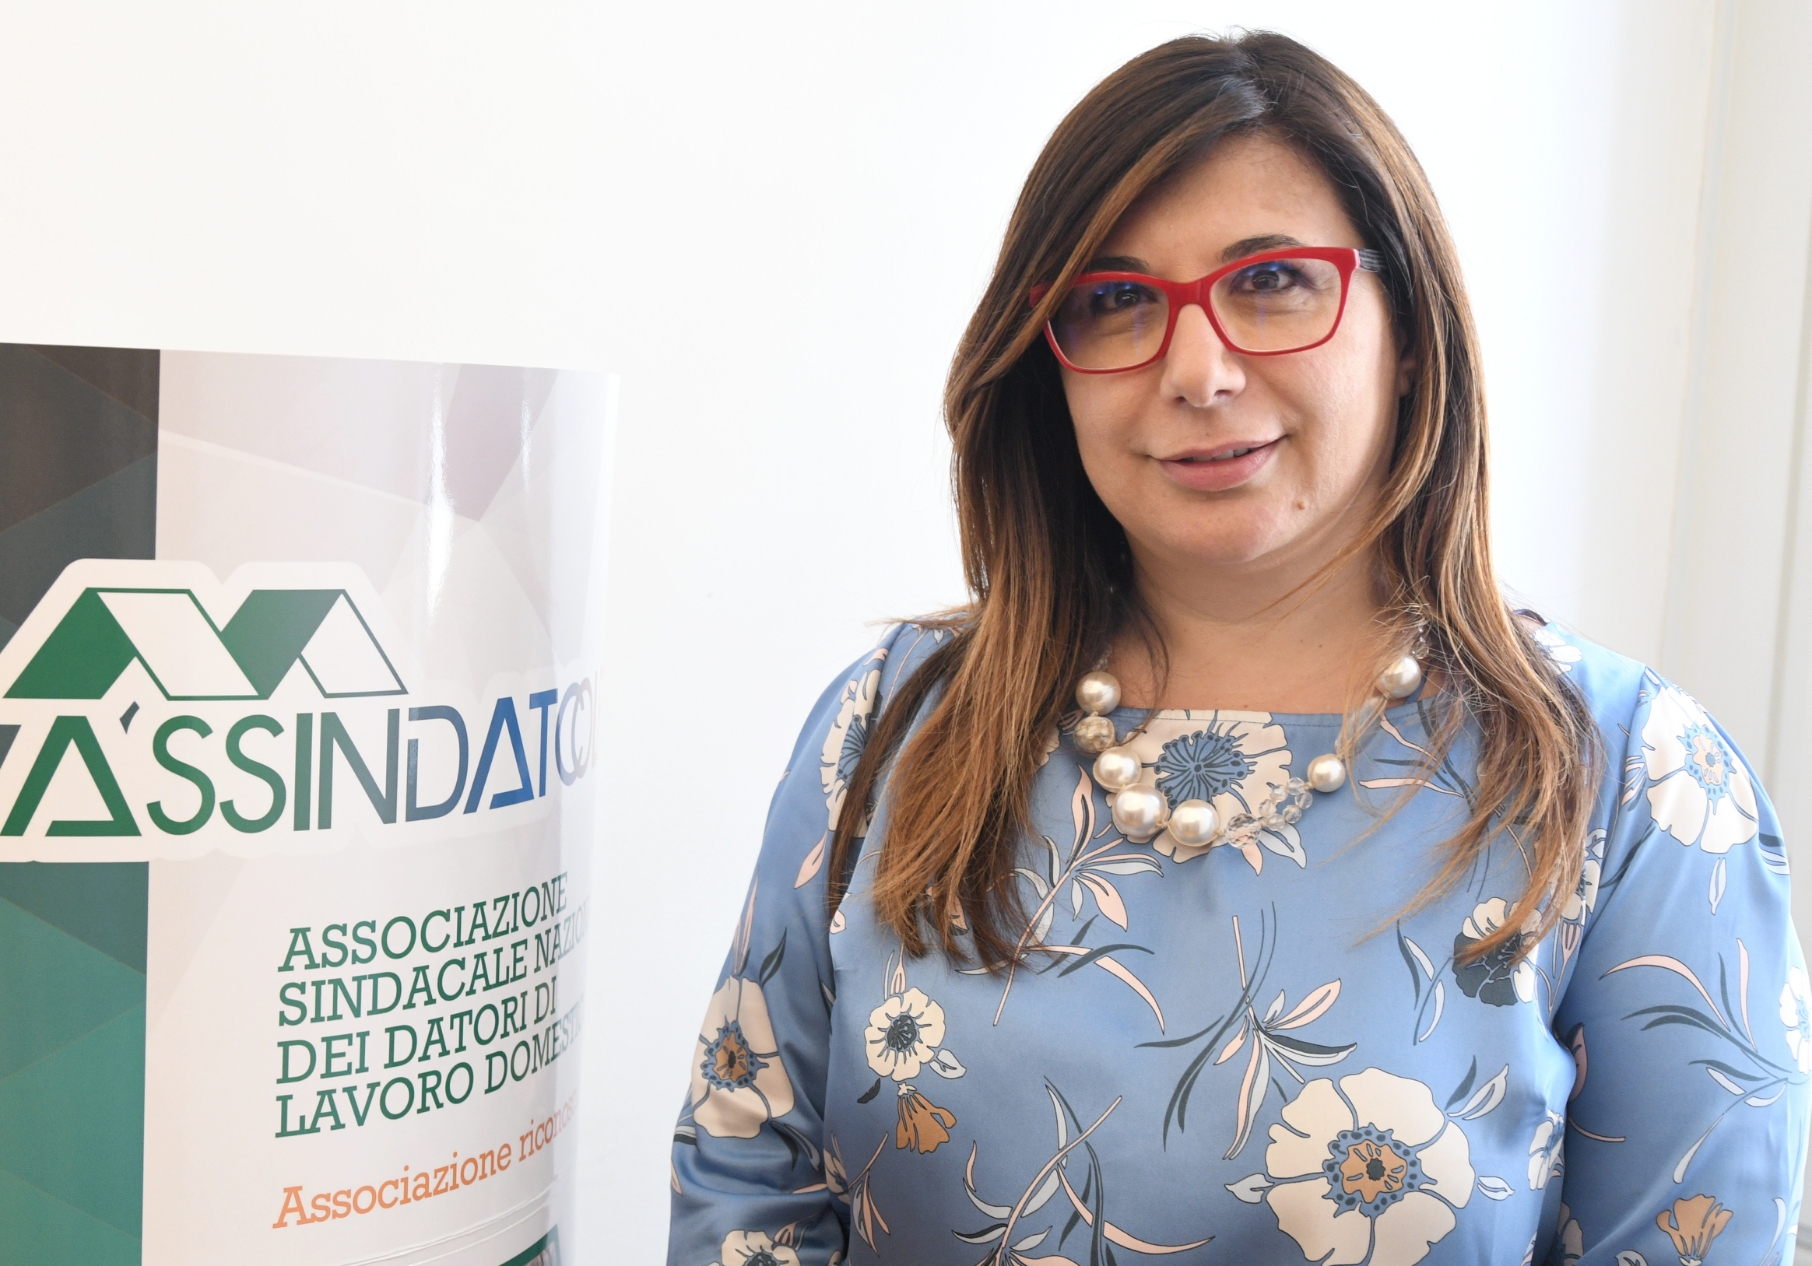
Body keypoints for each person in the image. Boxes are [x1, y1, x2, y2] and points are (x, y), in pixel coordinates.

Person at [667, 31, 1808, 1266]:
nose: (1198, 371)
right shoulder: (888, 726)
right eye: (1114, 302)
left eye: (1270, 282)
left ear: (1407, 329)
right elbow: (747, 1186)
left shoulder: (1634, 777)